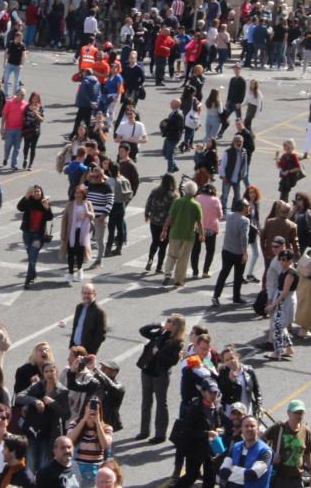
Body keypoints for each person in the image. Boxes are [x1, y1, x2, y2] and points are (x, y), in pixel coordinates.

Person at [136, 314, 184, 444]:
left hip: (160, 374)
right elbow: (143, 331)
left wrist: (159, 353)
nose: (166, 322)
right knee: (146, 401)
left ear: (175, 326)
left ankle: (160, 434)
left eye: (169, 321)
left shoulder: (177, 342)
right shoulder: (160, 333)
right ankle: (144, 431)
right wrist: (158, 325)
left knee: (161, 403)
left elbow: (173, 361)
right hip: (147, 370)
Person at [160, 180, 203, 288]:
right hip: (188, 235)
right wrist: (202, 234)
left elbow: (170, 217)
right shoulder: (196, 205)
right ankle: (178, 280)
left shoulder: (177, 202)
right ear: (195, 192)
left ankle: (167, 273)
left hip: (175, 233)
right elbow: (199, 222)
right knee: (183, 258)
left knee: (171, 254)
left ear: (184, 190)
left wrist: (164, 230)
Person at [262, 400, 311, 488]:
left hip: (296, 480)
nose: (298, 415)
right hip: (278, 479)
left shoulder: (305, 431)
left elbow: (308, 453)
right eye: (295, 412)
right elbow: (259, 445)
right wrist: (271, 457)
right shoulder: (278, 428)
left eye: (301, 413)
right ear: (288, 413)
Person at [213, 199, 250, 306]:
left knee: (224, 273)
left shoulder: (229, 216)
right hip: (238, 252)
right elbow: (244, 238)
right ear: (242, 207)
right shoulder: (244, 220)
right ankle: (236, 297)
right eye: (247, 206)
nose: (248, 207)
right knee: (238, 276)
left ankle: (216, 295)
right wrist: (245, 253)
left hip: (227, 250)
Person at [218, 416, 272, 488]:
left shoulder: (265, 451)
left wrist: (231, 470)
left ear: (258, 429)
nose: (249, 429)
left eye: (252, 426)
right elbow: (223, 472)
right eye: (246, 426)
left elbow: (252, 475)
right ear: (241, 429)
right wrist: (243, 473)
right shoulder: (236, 446)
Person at [70, 284, 106, 355]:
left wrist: (91, 351)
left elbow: (101, 335)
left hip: (87, 351)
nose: (86, 296)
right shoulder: (79, 307)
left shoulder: (99, 311)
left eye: (89, 293)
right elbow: (75, 327)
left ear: (94, 294)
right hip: (75, 348)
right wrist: (71, 345)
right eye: (84, 293)